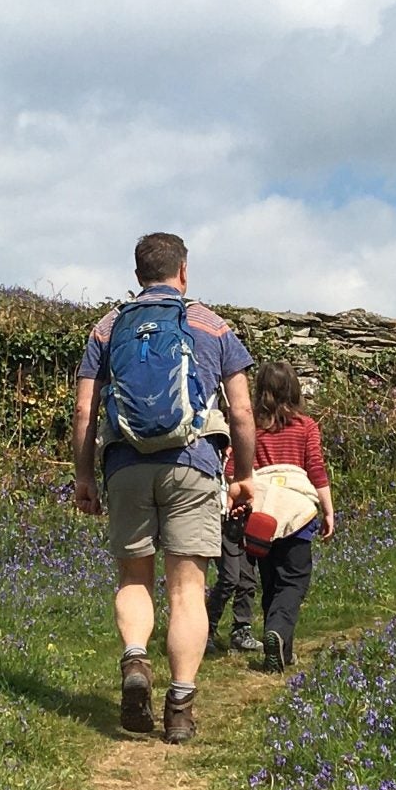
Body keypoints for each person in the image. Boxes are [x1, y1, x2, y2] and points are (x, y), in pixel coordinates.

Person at [70, 233, 257, 742]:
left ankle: (135, 661)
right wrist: (245, 475)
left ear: (137, 275)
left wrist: (85, 477)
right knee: (186, 589)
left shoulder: (108, 327)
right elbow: (240, 409)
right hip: (192, 463)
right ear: (184, 271)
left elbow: (86, 410)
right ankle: (179, 707)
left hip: (125, 465)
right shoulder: (211, 324)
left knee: (134, 578)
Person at [244, 359, 335, 672]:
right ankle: (278, 635)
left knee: (270, 582)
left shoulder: (251, 428)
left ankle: (282, 650)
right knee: (294, 582)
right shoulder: (305, 426)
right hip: (296, 516)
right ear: (294, 389)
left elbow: (235, 468)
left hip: (263, 519)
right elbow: (316, 469)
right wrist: (328, 510)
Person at [201, 398, 262, 655]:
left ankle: (241, 629)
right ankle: (205, 630)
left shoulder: (246, 448)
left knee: (247, 578)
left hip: (242, 518)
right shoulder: (211, 448)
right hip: (219, 519)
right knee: (229, 577)